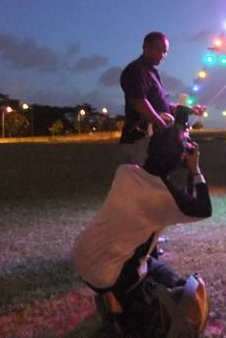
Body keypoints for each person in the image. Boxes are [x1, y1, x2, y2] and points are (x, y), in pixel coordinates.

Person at [72, 124, 212, 335]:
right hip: (108, 273)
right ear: (179, 159)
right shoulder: (166, 198)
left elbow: (161, 181)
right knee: (169, 285)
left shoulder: (124, 172)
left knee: (156, 269)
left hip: (82, 254)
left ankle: (112, 296)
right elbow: (203, 208)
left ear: (149, 148)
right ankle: (118, 306)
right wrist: (195, 169)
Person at [120, 31, 205, 164]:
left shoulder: (151, 72)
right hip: (140, 139)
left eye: (165, 52)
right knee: (143, 180)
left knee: (154, 179)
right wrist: (163, 125)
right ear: (146, 47)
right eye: (159, 50)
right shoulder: (136, 70)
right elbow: (138, 101)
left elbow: (163, 105)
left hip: (153, 140)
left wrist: (190, 110)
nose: (163, 55)